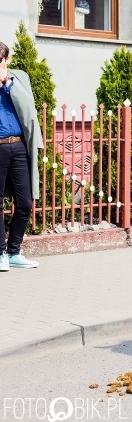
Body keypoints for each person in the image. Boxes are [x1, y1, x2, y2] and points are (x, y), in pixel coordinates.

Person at [0, 40, 43, 270]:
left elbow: (29, 108)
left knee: (25, 202)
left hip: (18, 146)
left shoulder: (20, 78)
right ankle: (1, 254)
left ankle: (14, 251)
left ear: (6, 60)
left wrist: (7, 83)